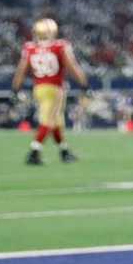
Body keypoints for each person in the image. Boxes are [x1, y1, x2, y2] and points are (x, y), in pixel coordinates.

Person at [11, 17, 89, 165]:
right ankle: (34, 151)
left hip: (39, 88)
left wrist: (15, 88)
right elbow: (72, 66)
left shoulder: (30, 47)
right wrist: (83, 84)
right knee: (48, 120)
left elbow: (21, 70)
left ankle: (64, 150)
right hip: (54, 88)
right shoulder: (60, 46)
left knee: (56, 121)